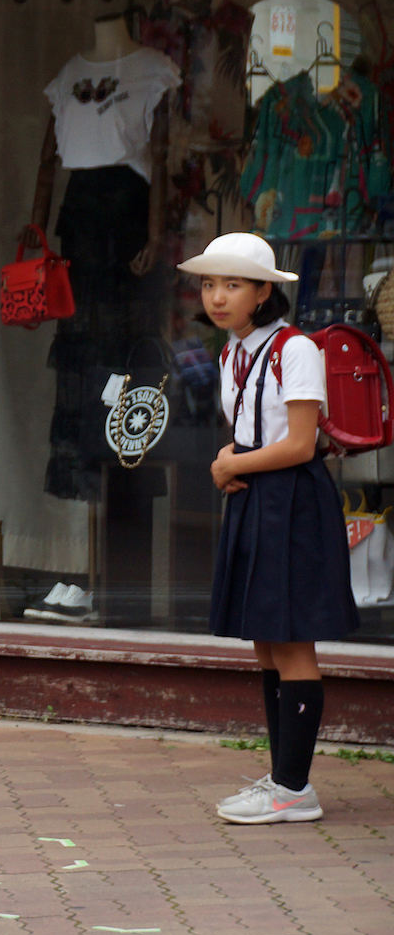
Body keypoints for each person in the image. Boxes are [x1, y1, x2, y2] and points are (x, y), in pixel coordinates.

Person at [182, 232, 359, 825]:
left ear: (263, 291)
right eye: (210, 283)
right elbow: (259, 430)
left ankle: (292, 789)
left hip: (293, 502)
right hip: (259, 496)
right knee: (264, 637)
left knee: (290, 639)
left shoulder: (295, 348)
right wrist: (229, 460)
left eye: (232, 284)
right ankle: (284, 776)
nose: (217, 295)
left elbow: (301, 443)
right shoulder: (235, 351)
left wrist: (233, 463)